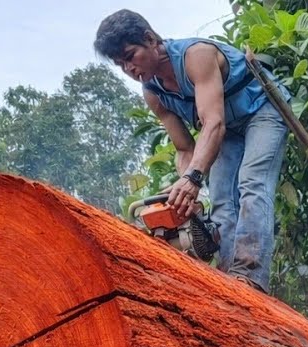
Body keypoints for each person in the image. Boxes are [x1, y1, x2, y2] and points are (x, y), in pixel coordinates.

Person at [95, 9, 288, 292]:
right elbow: (185, 148)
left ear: (149, 39)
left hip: (263, 112)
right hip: (229, 129)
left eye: (130, 56)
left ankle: (251, 277)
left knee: (252, 182)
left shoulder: (196, 56)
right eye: (120, 64)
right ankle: (229, 279)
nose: (129, 69)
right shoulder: (153, 92)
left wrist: (193, 179)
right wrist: (184, 192)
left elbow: (213, 123)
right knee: (222, 200)